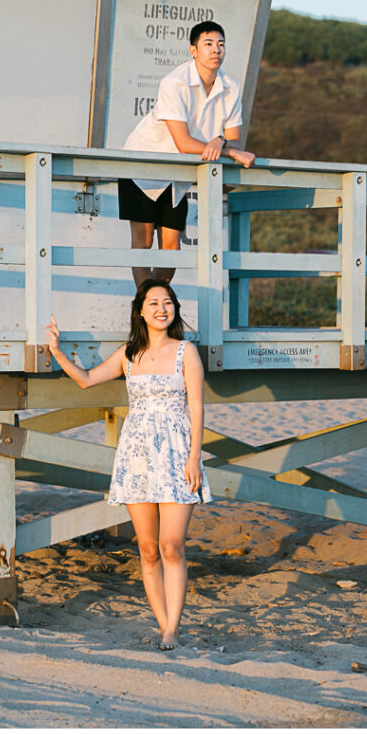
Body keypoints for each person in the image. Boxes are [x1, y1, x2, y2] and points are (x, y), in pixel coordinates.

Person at [46, 278, 211, 652]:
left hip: (176, 454)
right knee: (148, 549)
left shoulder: (187, 352)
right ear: (141, 311)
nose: (160, 309)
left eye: (167, 303)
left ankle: (172, 629)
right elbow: (87, 380)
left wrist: (194, 457)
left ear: (174, 310)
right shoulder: (128, 354)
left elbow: (198, 407)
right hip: (137, 457)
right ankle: (163, 623)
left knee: (172, 546)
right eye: (153, 303)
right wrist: (57, 352)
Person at [119, 20, 256, 285]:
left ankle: (155, 301)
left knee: (172, 250)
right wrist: (223, 146)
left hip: (176, 171)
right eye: (208, 44)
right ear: (193, 50)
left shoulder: (232, 87)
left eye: (221, 44)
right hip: (142, 163)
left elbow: (236, 141)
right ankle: (145, 309)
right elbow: (183, 143)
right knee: (143, 241)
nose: (216, 50)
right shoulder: (174, 83)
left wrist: (221, 141)